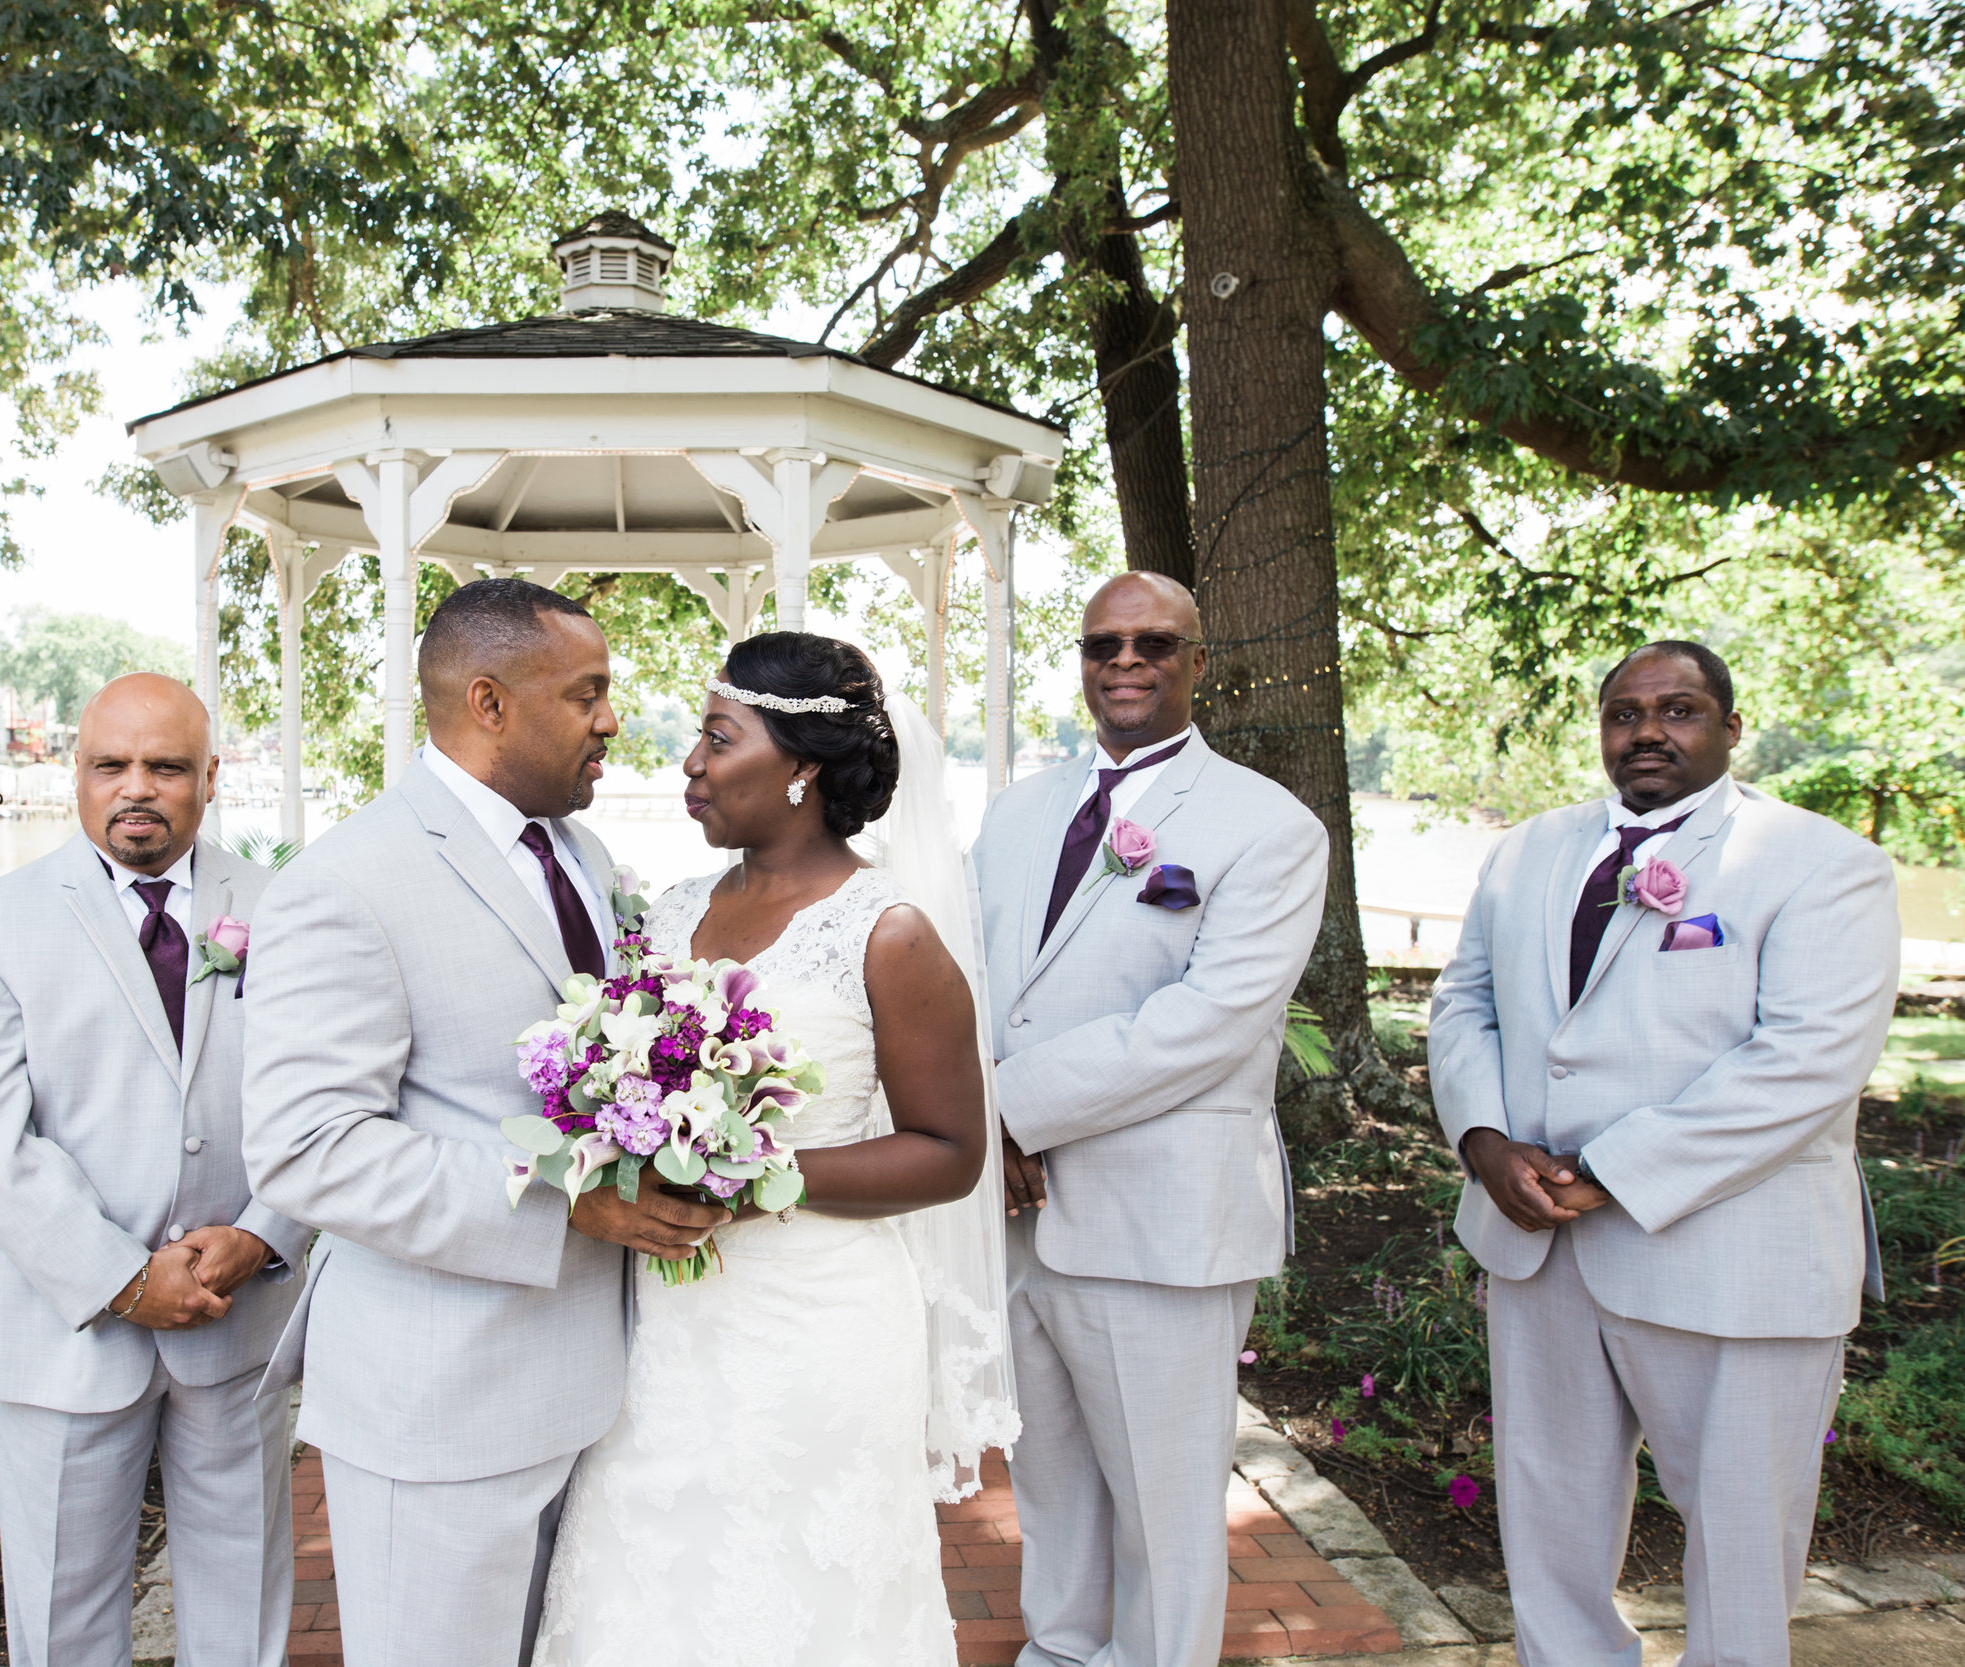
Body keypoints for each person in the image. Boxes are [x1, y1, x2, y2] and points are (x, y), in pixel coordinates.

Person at [241, 578, 731, 1667]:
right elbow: (307, 1144)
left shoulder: (585, 860)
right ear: (489, 701)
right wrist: (571, 1207)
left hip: (593, 1387)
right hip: (440, 1405)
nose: (612, 717)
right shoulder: (348, 881)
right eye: (587, 692)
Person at [532, 631, 1006, 1667]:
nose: (688, 763)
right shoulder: (669, 913)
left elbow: (951, 1151)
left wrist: (756, 1179)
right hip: (664, 1325)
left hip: (817, 1322)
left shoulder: (888, 933)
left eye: (715, 736)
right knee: (650, 1572)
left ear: (800, 766)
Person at [1428, 641, 1898, 1667]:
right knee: (1548, 1515)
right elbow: (1463, 1002)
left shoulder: (1821, 862)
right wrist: (1481, 1139)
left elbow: (1808, 1061)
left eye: (1677, 709)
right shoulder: (1525, 853)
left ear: (1731, 728)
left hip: (1730, 1252)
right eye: (1623, 711)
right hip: (1536, 1244)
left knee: (1737, 1534)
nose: (1646, 730)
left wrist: (1609, 1171)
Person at [976, 571, 1328, 1667]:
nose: (1125, 662)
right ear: (1080, 661)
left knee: (1164, 1507)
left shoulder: (1267, 825)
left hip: (1159, 1221)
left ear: (1197, 663)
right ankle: (1060, 1648)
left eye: (1153, 644)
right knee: (1049, 1477)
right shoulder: (1019, 808)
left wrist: (1008, 1109)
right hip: (1017, 1217)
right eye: (1102, 645)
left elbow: (1208, 1021)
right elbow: (970, 978)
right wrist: (980, 1121)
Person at [0, 674, 309, 1667]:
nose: (136, 786)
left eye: (166, 765)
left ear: (210, 776)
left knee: (244, 1597)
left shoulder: (288, 910)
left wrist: (265, 1229)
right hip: (68, 1324)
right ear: (77, 773)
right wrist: (127, 1279)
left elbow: (323, 1097)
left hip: (239, 1310)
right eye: (111, 764)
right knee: (63, 1615)